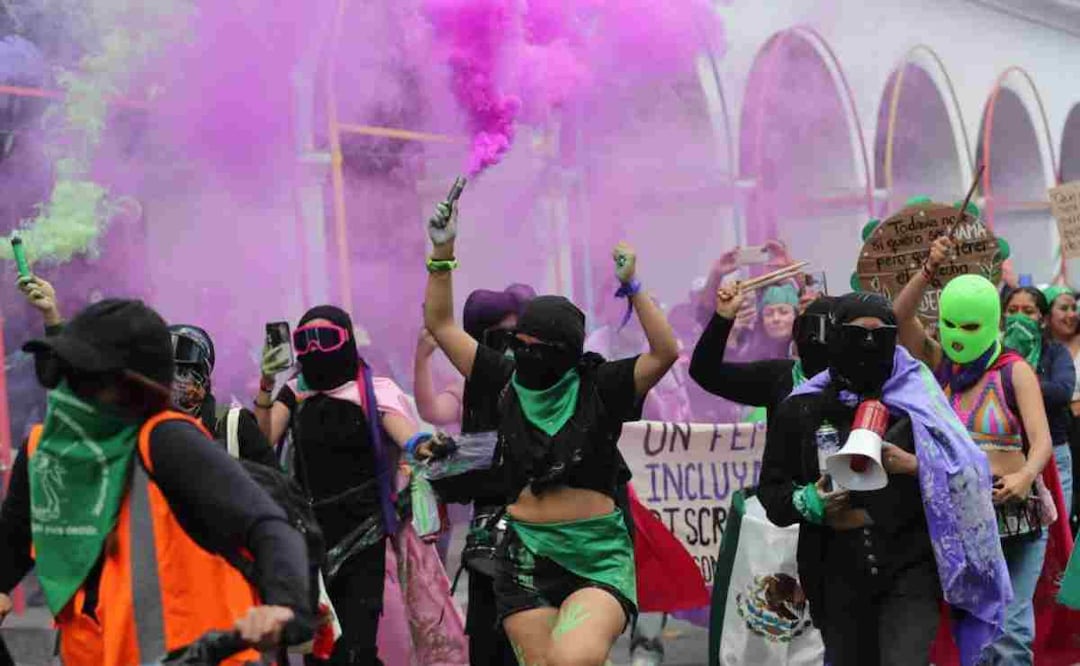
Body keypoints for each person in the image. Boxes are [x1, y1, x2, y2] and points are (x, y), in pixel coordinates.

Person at [422, 195, 679, 665]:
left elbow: (665, 352)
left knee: (571, 660)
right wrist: (442, 250)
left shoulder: (601, 385)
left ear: (565, 350)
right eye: (519, 343)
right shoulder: (504, 378)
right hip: (522, 558)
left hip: (596, 557)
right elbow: (440, 324)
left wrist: (634, 287)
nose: (524, 353)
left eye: (536, 346)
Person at [0, 299, 312, 665]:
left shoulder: (164, 440)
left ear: (134, 389)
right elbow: (11, 544)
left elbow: (267, 523)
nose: (67, 390)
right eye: (62, 375)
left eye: (84, 377)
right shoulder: (42, 453)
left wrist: (284, 606)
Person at [759, 292, 1009, 666]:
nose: (870, 345)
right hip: (835, 572)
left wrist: (914, 465)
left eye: (881, 335)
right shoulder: (801, 409)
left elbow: (970, 477)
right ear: (837, 338)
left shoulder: (918, 402)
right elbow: (772, 493)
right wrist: (809, 500)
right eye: (859, 334)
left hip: (910, 567)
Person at [254, 304, 453, 665]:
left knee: (360, 648)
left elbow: (407, 436)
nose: (314, 350)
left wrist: (426, 445)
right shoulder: (294, 392)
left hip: (366, 537)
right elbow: (263, 440)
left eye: (325, 339)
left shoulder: (374, 392)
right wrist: (267, 383)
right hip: (309, 540)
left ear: (345, 342)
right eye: (305, 341)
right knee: (321, 651)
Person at [895, 237, 1057, 665]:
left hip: (1016, 513)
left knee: (1011, 629)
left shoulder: (1014, 370)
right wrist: (928, 268)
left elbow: (1041, 442)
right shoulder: (937, 366)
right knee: (972, 633)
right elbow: (899, 316)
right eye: (952, 325)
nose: (959, 336)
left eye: (970, 327)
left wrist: (1024, 477)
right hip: (960, 515)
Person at [414, 285, 533, 666]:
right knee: (489, 642)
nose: (512, 348)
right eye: (501, 338)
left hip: (544, 539)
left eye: (520, 336)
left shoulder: (549, 386)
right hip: (490, 546)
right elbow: (434, 411)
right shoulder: (472, 386)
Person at [690, 281, 833, 425]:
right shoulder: (778, 375)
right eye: (769, 313)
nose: (776, 319)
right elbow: (705, 372)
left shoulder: (850, 379)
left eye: (783, 312)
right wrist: (723, 317)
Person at [1000, 287, 1077, 517]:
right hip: (1009, 458)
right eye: (1013, 310)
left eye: (1028, 311)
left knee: (1057, 528)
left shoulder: (1054, 353)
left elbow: (1062, 391)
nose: (1019, 317)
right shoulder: (995, 354)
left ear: (1042, 319)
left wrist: (1019, 383)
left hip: (1053, 453)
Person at [169, 324, 279, 467]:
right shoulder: (147, 433)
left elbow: (274, 484)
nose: (173, 381)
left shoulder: (233, 424)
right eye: (166, 373)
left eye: (183, 372)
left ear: (203, 376)